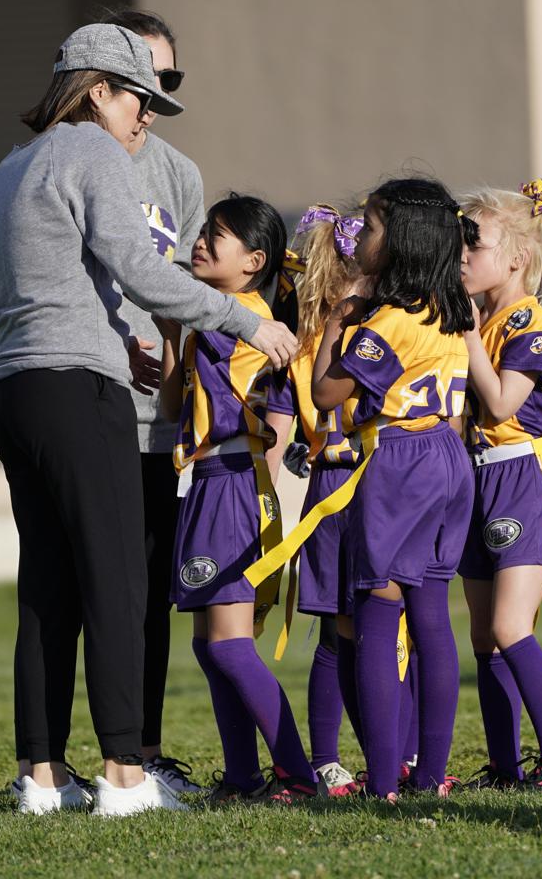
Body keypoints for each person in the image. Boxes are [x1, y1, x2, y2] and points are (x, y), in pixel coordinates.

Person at [0, 24, 297, 816]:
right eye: (138, 98)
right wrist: (247, 322)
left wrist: (111, 341)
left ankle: (41, 776)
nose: (146, 116)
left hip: (13, 388)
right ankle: (125, 775)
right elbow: (142, 270)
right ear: (97, 92)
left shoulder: (14, 164)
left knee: (47, 584)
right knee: (118, 581)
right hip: (76, 393)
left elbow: (8, 285)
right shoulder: (93, 151)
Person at [309, 178, 476, 801]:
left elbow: (326, 392)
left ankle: (383, 782)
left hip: (399, 459)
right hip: (446, 455)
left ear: (401, 240)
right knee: (431, 616)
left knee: (376, 615)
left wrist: (337, 320)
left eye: (372, 226)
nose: (361, 236)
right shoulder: (451, 308)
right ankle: (430, 775)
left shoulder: (390, 318)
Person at [159, 193, 325, 804]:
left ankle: (297, 775)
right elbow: (175, 409)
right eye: (204, 230)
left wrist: (260, 494)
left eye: (219, 235)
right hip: (205, 483)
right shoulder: (211, 319)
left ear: (254, 261)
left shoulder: (251, 323)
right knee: (210, 647)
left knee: (230, 644)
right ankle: (241, 777)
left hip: (234, 483)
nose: (202, 241)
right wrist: (171, 333)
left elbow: (277, 416)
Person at [97, 7, 205, 793]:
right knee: (75, 591)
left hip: (155, 424)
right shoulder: (55, 162)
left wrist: (179, 378)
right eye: (144, 78)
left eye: (169, 78)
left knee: (146, 594)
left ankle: (142, 751)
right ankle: (49, 761)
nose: (156, 95)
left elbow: (193, 289)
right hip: (84, 407)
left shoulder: (177, 173)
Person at [458, 178, 542, 791]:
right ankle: (504, 766)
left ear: (518, 257)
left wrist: (464, 337)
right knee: (485, 637)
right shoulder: (481, 319)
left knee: (512, 627)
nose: (462, 257)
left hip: (521, 475)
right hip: (476, 476)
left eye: (474, 245)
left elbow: (503, 402)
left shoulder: (531, 323)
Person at [265, 204, 364, 796]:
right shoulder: (324, 344)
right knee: (363, 627)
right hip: (357, 487)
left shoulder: (305, 346)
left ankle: (345, 758)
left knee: (344, 629)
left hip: (349, 486)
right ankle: (380, 756)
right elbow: (279, 433)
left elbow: (276, 441)